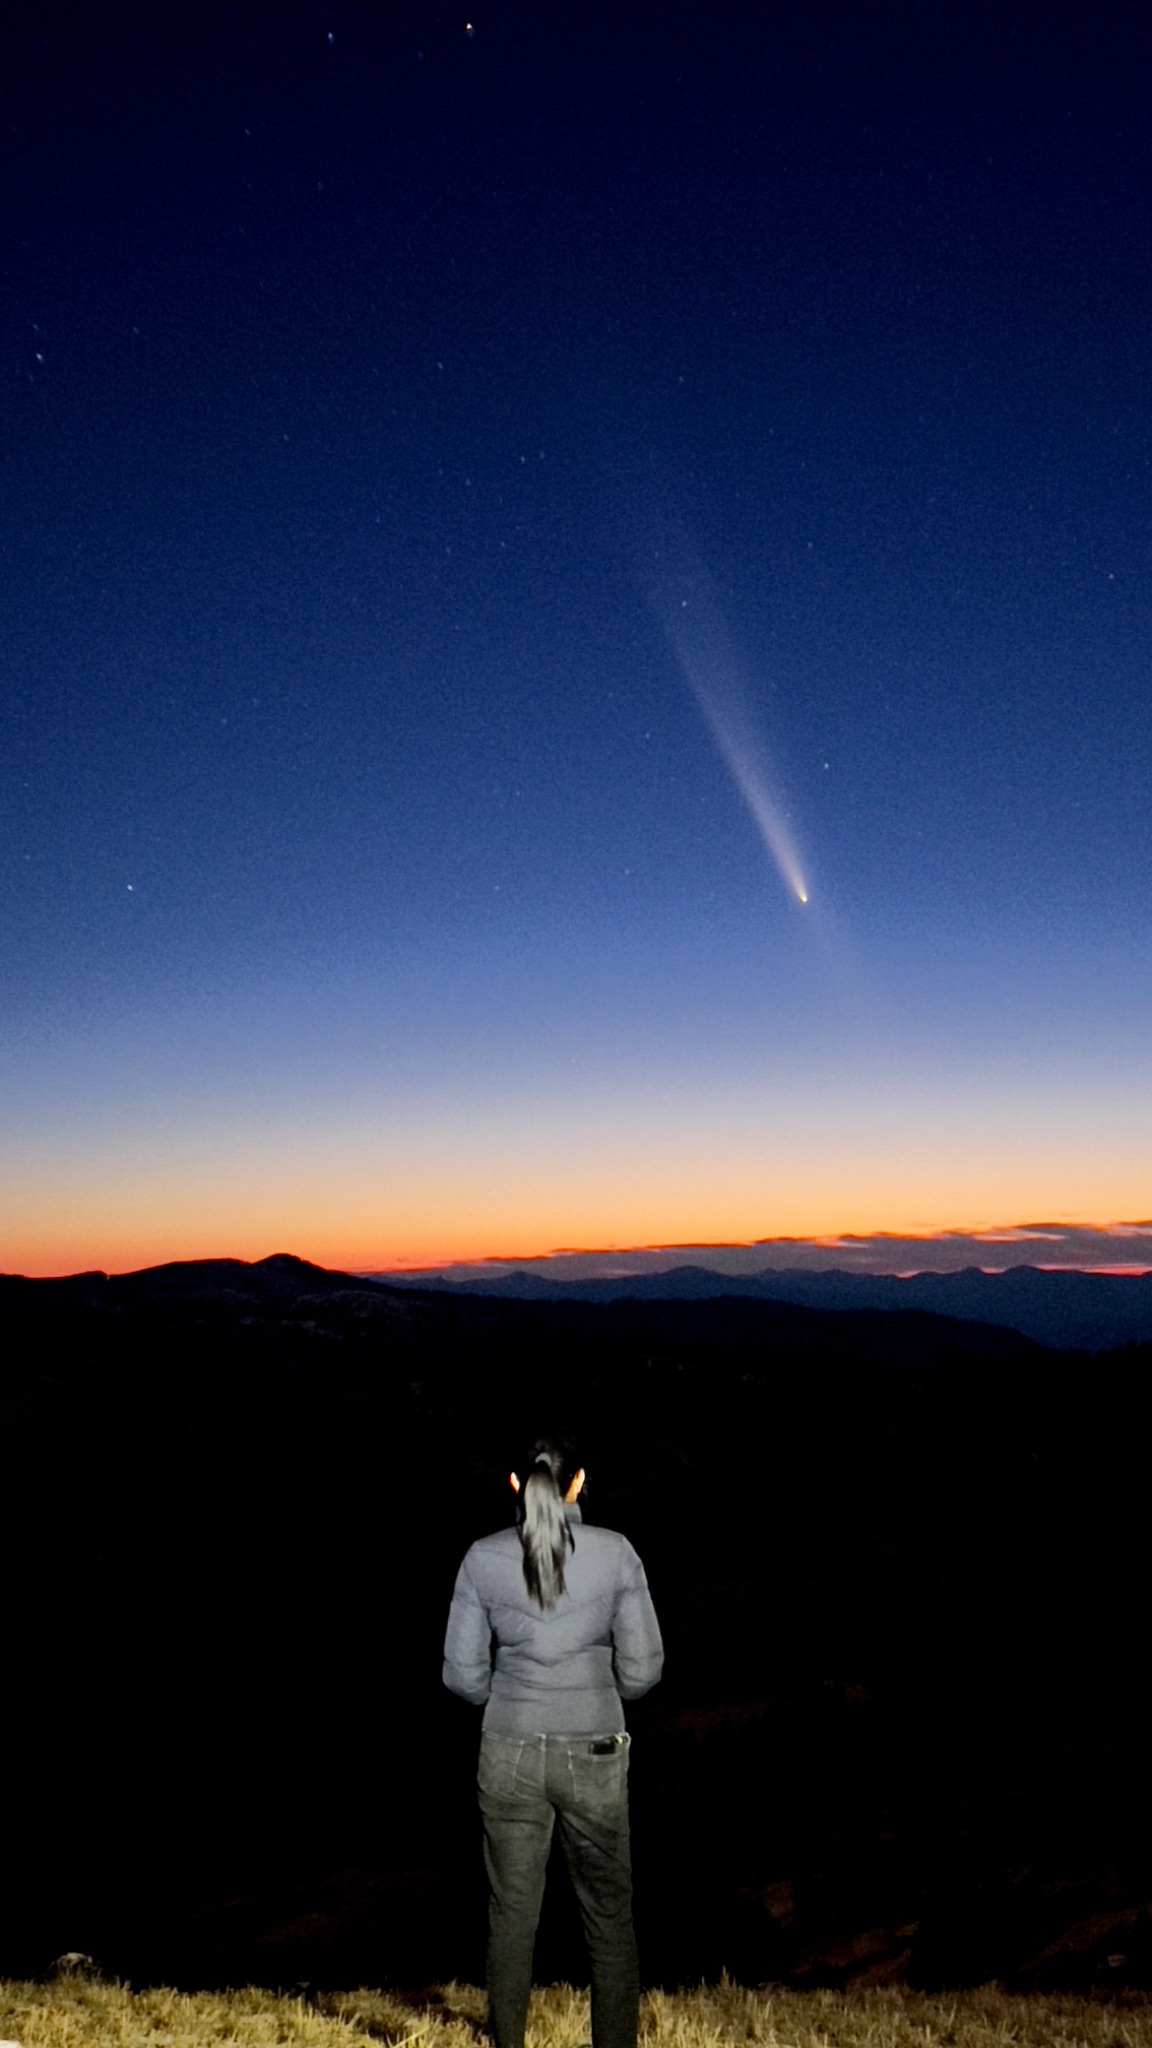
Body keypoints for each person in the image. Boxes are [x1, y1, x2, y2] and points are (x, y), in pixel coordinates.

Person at [443, 1439, 663, 2048]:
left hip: (507, 1749)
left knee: (511, 1916)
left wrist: (510, 1695)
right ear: (579, 1484)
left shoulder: (481, 1558)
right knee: (608, 1919)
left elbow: (461, 1677)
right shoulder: (617, 1555)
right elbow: (644, 1674)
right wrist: (595, 1691)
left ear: (516, 1485)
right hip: (593, 1750)